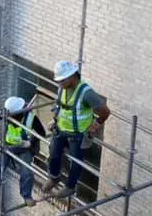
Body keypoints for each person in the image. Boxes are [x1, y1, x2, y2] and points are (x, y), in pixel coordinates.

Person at [45, 60, 110, 200]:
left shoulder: (86, 93)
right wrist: (54, 119)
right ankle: (54, 177)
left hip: (78, 134)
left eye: (62, 80)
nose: (59, 83)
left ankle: (70, 187)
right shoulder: (62, 88)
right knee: (54, 154)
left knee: (76, 162)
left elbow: (105, 112)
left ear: (72, 76)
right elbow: (59, 106)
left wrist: (95, 125)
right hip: (61, 129)